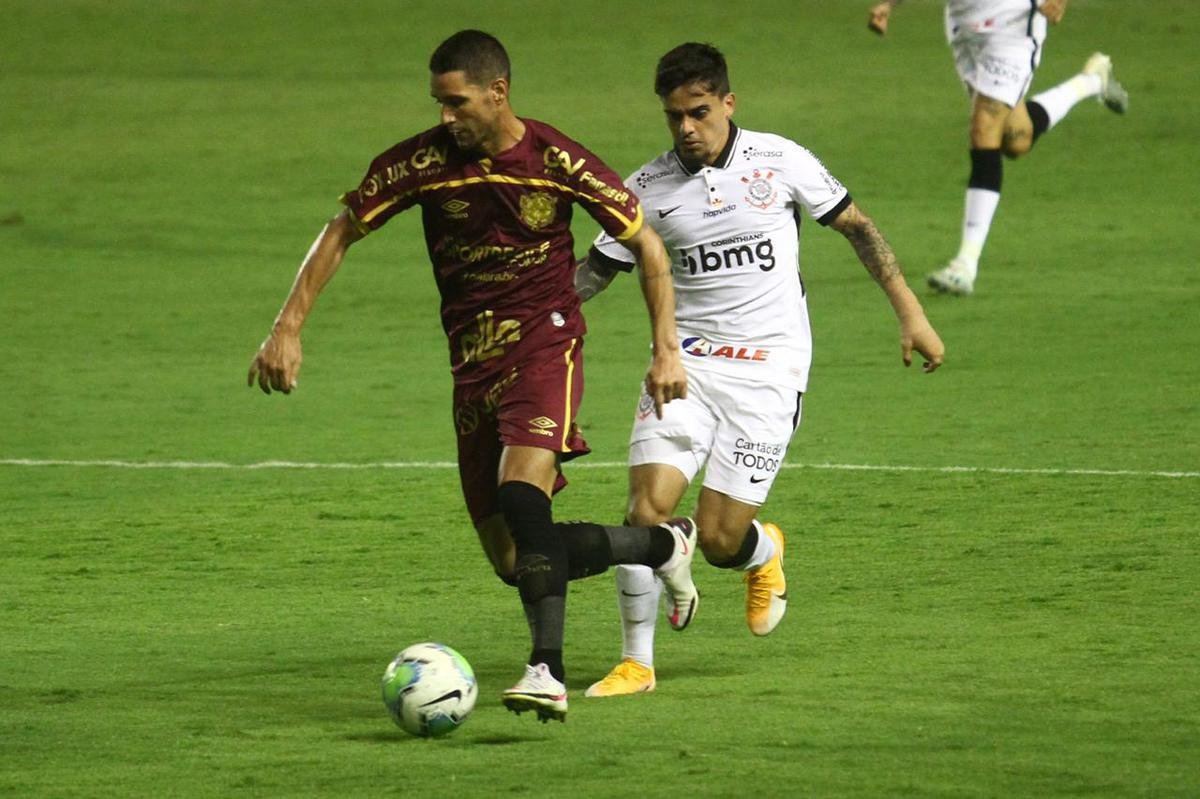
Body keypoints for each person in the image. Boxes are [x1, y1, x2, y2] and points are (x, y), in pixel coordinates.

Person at [246, 30, 699, 723]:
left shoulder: (555, 159)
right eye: (437, 104)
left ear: (498, 92)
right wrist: (287, 326)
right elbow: (343, 228)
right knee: (514, 556)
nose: (445, 118)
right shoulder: (421, 163)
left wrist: (665, 346)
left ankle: (546, 670)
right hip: (471, 365)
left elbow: (645, 241)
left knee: (523, 493)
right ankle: (662, 544)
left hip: (547, 344)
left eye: (456, 103)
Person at [573, 42, 945, 697]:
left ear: (728, 103)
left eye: (698, 111)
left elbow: (857, 226)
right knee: (643, 512)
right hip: (685, 366)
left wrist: (911, 313)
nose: (686, 127)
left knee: (719, 539)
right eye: (673, 117)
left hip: (770, 372)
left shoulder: (780, 160)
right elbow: (596, 272)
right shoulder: (647, 189)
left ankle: (764, 551)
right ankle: (637, 662)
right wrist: (531, 318)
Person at [868, 0, 1129, 295]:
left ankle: (965, 265)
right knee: (1016, 140)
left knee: (984, 130)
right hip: (965, 26)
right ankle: (1092, 81)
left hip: (1012, 27)